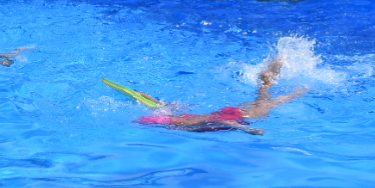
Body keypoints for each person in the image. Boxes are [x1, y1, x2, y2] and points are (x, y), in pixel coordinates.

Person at [126, 55, 307, 135]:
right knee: (262, 100)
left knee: (266, 107)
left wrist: (250, 130)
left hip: (235, 116)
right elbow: (165, 106)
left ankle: (295, 92)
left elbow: (223, 123)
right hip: (227, 111)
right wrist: (148, 98)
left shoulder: (185, 125)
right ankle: (267, 84)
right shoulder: (181, 120)